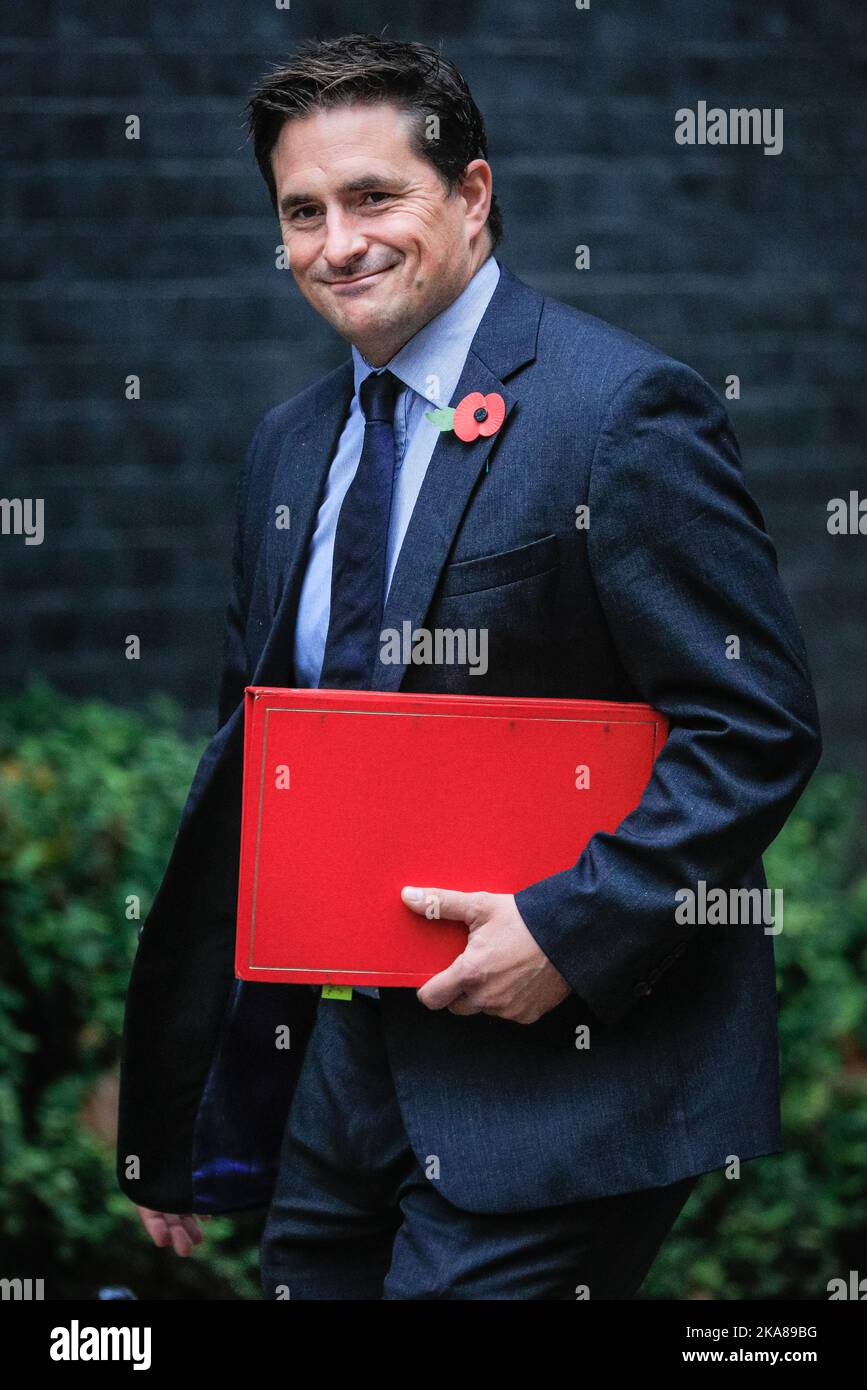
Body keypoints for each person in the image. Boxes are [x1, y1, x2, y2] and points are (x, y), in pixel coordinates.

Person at [119, 32, 822, 1299]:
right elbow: (252, 782)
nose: (339, 242)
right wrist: (187, 1115)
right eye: (303, 211)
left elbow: (755, 724)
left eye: (375, 196)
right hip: (342, 1080)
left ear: (473, 194)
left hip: (568, 1080)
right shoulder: (289, 450)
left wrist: (568, 928)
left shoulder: (621, 412)